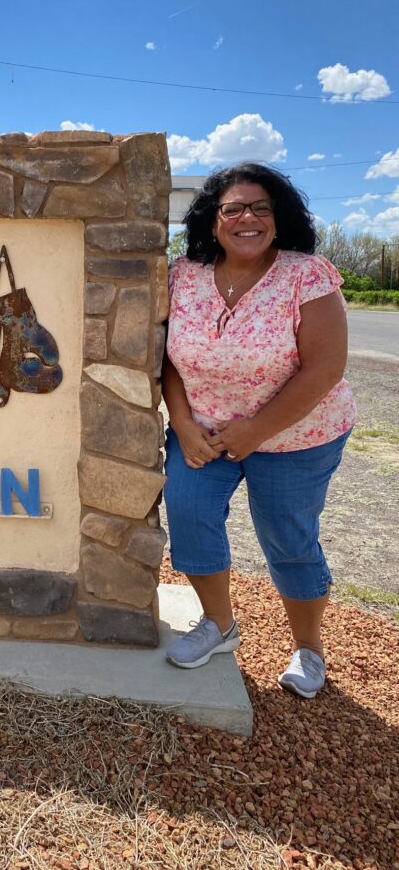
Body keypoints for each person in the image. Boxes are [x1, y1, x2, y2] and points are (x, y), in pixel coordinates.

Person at [162, 162, 356, 698]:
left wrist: (256, 430)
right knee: (190, 515)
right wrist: (180, 422)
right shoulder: (183, 275)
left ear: (278, 217)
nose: (247, 217)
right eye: (233, 208)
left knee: (288, 540)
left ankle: (308, 650)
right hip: (202, 433)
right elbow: (167, 359)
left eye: (260, 207)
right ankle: (220, 627)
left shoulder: (307, 274)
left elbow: (324, 367)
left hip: (298, 437)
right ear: (213, 219)